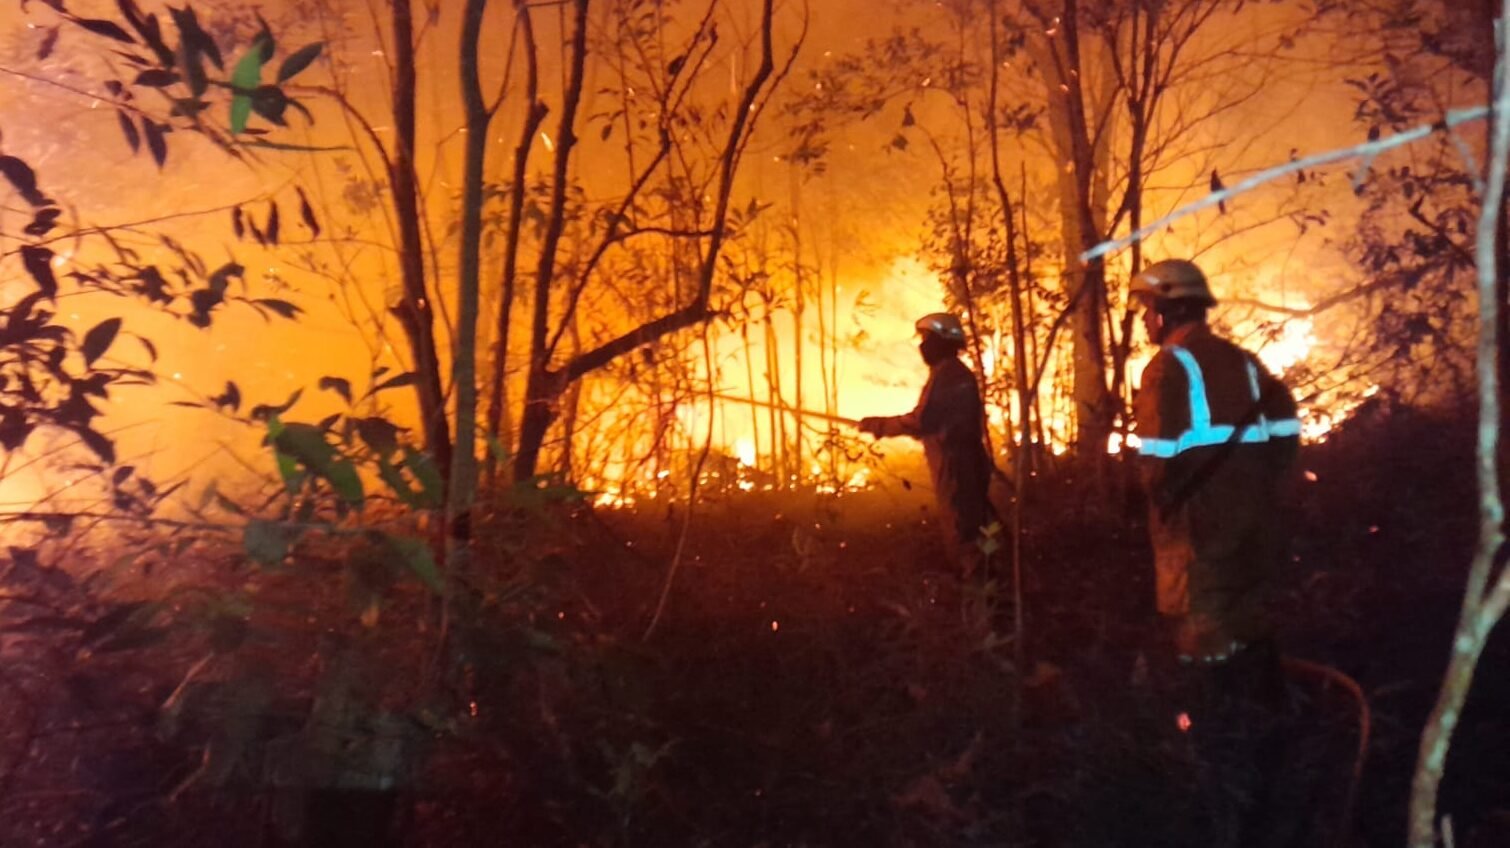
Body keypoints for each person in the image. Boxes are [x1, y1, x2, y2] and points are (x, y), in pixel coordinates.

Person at [1130, 258, 1304, 846]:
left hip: (1199, 542)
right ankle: (1281, 756)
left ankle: (1224, 793)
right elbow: (1285, 441)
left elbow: (1155, 470)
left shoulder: (1165, 369)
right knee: (1252, 635)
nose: (1143, 321)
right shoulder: (1247, 363)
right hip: (1254, 533)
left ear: (1163, 309)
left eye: (1144, 309)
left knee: (1203, 661)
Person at [859, 313, 996, 575]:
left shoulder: (949, 375)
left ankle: (978, 596)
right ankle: (985, 589)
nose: (922, 346)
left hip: (956, 464)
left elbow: (922, 421)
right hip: (961, 461)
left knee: (963, 531)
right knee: (973, 524)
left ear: (941, 341)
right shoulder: (952, 373)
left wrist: (879, 425)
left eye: (926, 339)